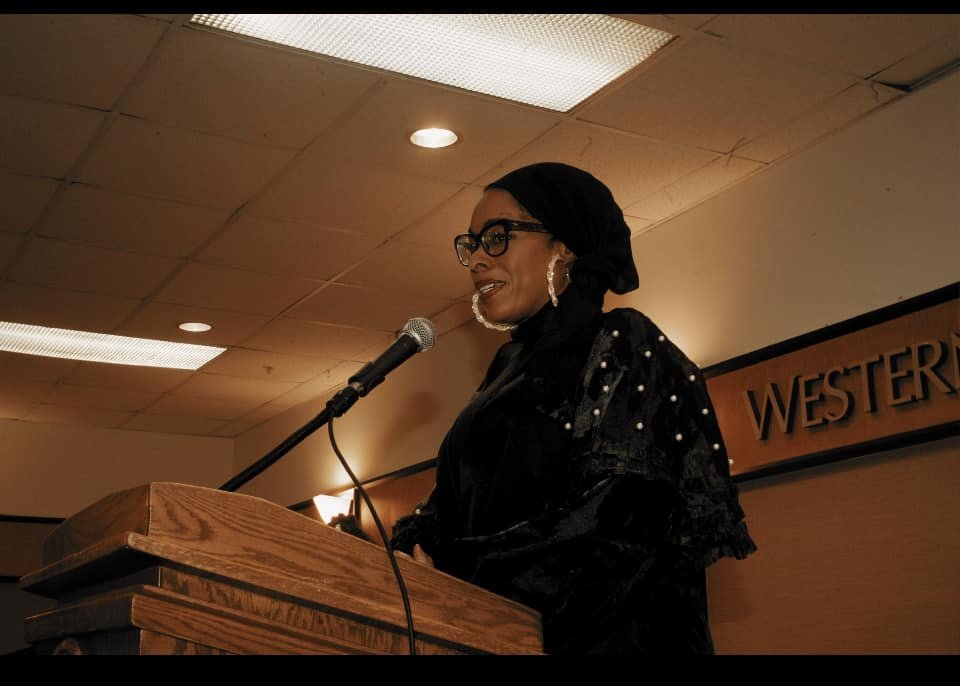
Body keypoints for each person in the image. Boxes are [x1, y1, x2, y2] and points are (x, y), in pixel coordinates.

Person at [390, 162, 756, 655]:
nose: (476, 259)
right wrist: (419, 551)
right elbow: (452, 508)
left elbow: (614, 529)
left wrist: (460, 571)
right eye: (471, 244)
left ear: (564, 246)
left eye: (497, 236)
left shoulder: (623, 344)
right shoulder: (506, 370)